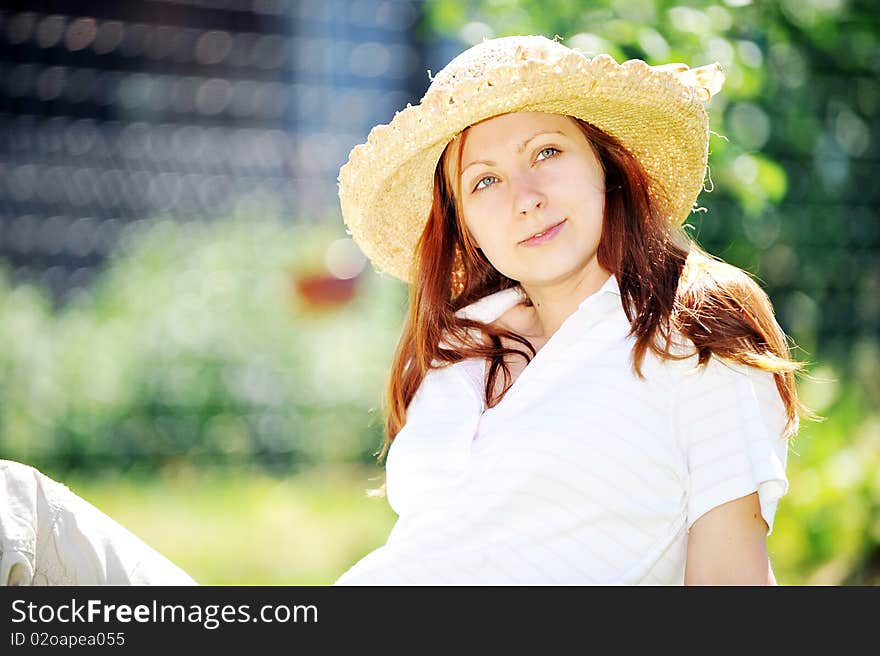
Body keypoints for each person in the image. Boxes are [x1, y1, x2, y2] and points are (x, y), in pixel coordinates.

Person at [333, 35, 807, 585]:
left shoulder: (692, 331)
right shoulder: (458, 347)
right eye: (485, 180)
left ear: (606, 165)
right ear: (466, 225)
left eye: (547, 153)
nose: (525, 197)